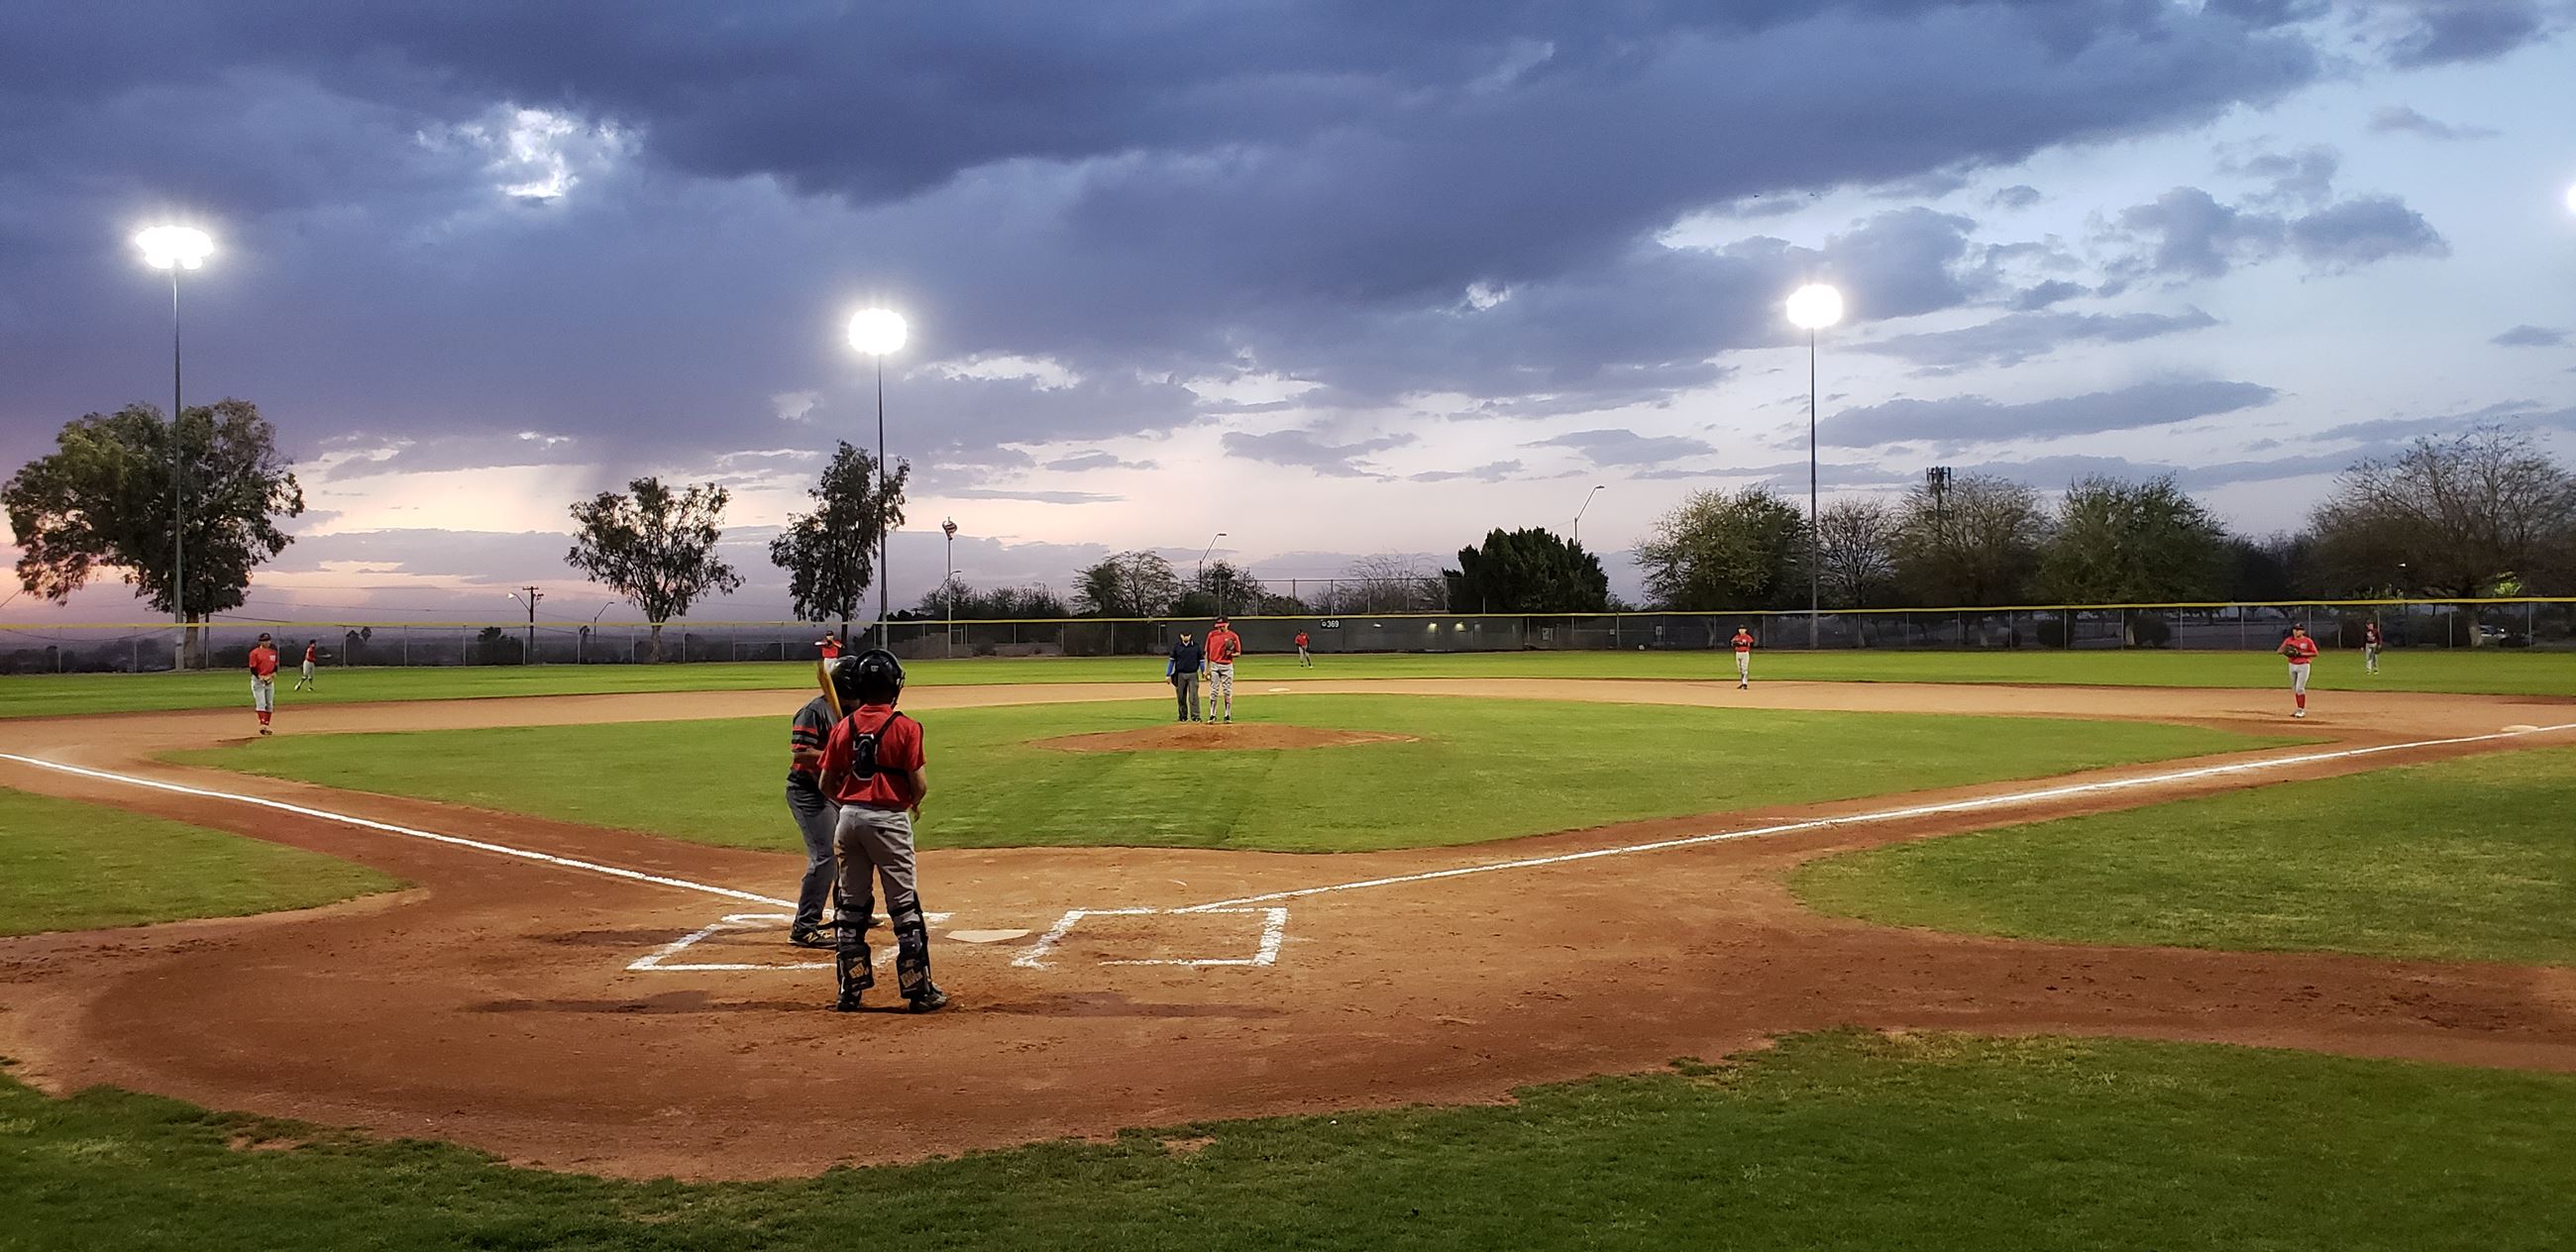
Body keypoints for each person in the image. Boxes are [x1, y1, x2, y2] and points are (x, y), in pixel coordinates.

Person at [816, 649, 945, 1013]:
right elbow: (918, 784)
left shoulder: (844, 726)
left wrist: (849, 804)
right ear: (893, 687)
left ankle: (850, 990)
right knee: (904, 908)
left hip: (849, 820)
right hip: (889, 820)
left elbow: (826, 782)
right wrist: (911, 802)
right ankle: (918, 991)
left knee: (851, 906)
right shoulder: (906, 727)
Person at [783, 658, 852, 948]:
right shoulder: (814, 711)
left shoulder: (852, 711)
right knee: (824, 857)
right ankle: (804, 926)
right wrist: (836, 755)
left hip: (836, 793)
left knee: (851, 853)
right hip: (808, 793)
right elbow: (800, 754)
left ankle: (847, 913)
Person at [1205, 616, 1243, 722]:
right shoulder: (1212, 635)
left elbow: (1238, 653)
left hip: (1227, 666)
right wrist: (1206, 669)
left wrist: (1231, 654)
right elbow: (1207, 652)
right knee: (1214, 691)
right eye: (1219, 626)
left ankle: (1227, 715)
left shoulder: (1233, 636)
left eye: (1222, 626)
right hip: (1214, 665)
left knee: (1227, 691)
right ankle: (1212, 715)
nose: (1220, 628)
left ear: (1228, 624)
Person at [2279, 623, 2319, 718]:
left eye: (2298, 629)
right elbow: (2279, 651)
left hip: (2303, 666)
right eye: (2295, 629)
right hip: (2292, 665)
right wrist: (2287, 651)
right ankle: (2298, 708)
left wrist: (2300, 654)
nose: (2296, 631)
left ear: (2303, 631)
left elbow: (2315, 653)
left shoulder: (2307, 641)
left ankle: (2301, 710)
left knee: (2299, 688)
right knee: (2294, 688)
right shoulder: (2289, 640)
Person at [247, 633, 279, 735]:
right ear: (260, 642)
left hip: (269, 680)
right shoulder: (254, 653)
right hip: (258, 680)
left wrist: (272, 675)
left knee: (269, 704)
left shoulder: (273, 653)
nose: (267, 642)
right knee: (261, 703)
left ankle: (266, 726)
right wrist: (261, 677)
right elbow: (253, 668)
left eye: (268, 640)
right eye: (265, 640)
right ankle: (263, 725)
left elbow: (275, 668)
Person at [1168, 630, 1205, 722]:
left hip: (1193, 674)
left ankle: (1195, 716)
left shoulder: (1196, 646)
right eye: (1184, 636)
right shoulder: (1177, 647)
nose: (1186, 637)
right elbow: (1171, 661)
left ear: (1190, 636)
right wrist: (1168, 674)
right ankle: (1182, 716)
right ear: (1181, 636)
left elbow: (1201, 660)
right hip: (1180, 674)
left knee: (1193, 696)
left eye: (1187, 635)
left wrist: (1203, 671)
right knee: (1181, 697)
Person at [1730, 625, 1756, 689]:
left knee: (1744, 668)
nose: (1741, 630)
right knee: (1740, 669)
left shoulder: (1747, 637)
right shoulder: (1736, 637)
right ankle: (1742, 682)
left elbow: (1751, 644)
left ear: (1745, 630)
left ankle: (1745, 683)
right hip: (1738, 653)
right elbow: (1732, 643)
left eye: (1743, 629)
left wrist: (1740, 644)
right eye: (1740, 629)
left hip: (1745, 654)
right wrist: (1740, 644)